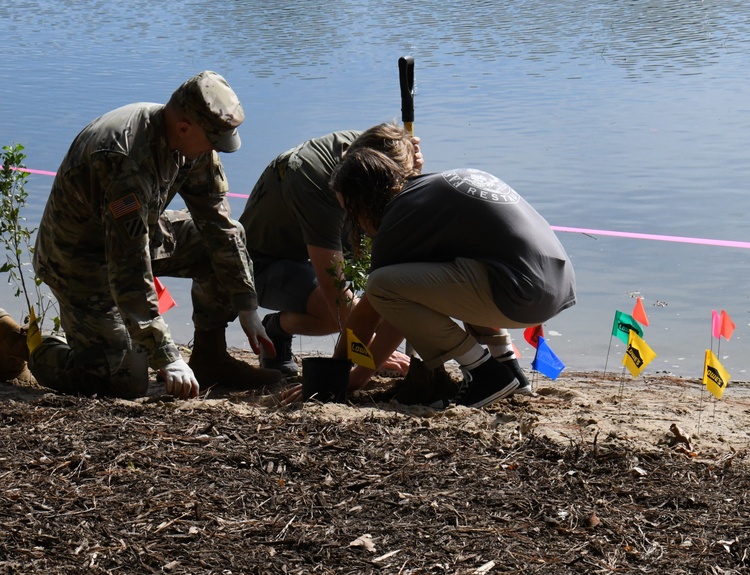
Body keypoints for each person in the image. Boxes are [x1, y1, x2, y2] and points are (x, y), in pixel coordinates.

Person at [22, 71, 281, 399]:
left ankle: (209, 357)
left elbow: (219, 225)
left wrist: (246, 306)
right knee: (124, 380)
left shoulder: (189, 140)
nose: (214, 150)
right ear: (185, 127)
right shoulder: (125, 161)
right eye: (213, 141)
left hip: (137, 238)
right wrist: (168, 356)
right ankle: (32, 345)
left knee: (222, 241)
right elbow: (128, 269)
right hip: (80, 263)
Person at [331, 142, 577, 408]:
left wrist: (340, 377)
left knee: (381, 286)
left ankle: (485, 373)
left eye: (352, 214)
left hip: (520, 294)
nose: (355, 225)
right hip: (555, 283)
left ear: (363, 202)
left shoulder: (399, 218)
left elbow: (374, 311)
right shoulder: (429, 191)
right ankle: (509, 367)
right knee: (459, 263)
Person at [242, 123, 418, 382]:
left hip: (318, 245)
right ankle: (276, 330)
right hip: (263, 263)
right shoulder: (315, 182)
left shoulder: (377, 147)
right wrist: (371, 351)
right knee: (334, 315)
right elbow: (336, 296)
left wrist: (414, 171)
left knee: (387, 286)